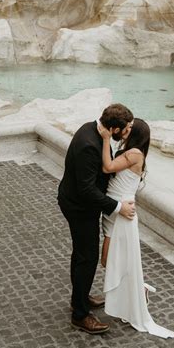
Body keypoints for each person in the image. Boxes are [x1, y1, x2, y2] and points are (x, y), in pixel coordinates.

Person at [58, 103, 136, 335]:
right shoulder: (89, 145)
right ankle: (80, 315)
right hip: (79, 208)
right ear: (113, 129)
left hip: (79, 203)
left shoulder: (91, 130)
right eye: (126, 128)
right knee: (87, 258)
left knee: (81, 255)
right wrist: (117, 207)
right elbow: (86, 190)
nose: (128, 132)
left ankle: (79, 298)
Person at [99, 118, 174, 339]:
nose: (125, 129)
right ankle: (137, 289)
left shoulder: (134, 154)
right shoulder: (129, 150)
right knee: (113, 260)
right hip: (114, 211)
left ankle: (138, 291)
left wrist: (105, 139)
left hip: (122, 213)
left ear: (137, 133)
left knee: (109, 260)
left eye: (130, 128)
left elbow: (107, 167)